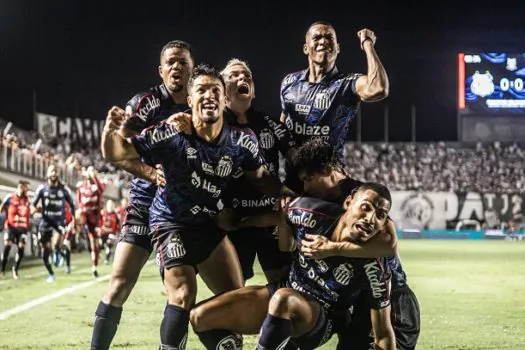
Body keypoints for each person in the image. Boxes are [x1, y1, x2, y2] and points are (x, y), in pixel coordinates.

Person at [101, 63, 295, 349]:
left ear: (224, 99)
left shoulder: (243, 141)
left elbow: (265, 180)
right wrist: (109, 132)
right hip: (171, 222)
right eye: (201, 90)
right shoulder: (171, 131)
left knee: (235, 297)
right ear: (190, 100)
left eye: (215, 90)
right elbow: (116, 152)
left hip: (208, 225)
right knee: (182, 292)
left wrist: (292, 197)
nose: (209, 96)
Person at [90, 39, 194, 350]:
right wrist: (151, 173)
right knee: (119, 284)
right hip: (145, 202)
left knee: (180, 292)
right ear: (160, 70)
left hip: (182, 212)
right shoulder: (145, 103)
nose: (177, 67)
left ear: (193, 68)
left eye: (183, 62)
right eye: (171, 62)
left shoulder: (202, 101)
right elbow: (120, 152)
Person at [292, 138, 420, 350]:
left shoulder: (363, 195)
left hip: (391, 294)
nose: (305, 187)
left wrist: (332, 248)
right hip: (362, 298)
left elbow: (388, 243)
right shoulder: (321, 203)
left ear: (327, 170)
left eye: (309, 179)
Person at [256, 183, 395, 349]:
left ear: (384, 224)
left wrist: (331, 248)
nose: (370, 218)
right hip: (287, 291)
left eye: (380, 215)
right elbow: (283, 222)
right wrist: (242, 222)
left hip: (325, 317)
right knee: (219, 312)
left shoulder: (374, 267)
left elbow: (384, 335)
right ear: (349, 203)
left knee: (283, 299)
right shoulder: (311, 214)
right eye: (365, 207)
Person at [280, 21, 389, 192]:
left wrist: (367, 44)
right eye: (316, 37)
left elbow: (378, 88)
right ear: (306, 48)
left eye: (329, 37)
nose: (323, 41)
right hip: (295, 183)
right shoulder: (289, 82)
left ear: (337, 48)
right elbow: (282, 125)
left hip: (330, 184)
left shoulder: (347, 84)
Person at [31, 164, 76, 282]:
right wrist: (35, 210)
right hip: (45, 222)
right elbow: (32, 205)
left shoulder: (64, 189)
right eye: (51, 171)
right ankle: (51, 273)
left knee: (56, 243)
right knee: (45, 252)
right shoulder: (42, 189)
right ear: (47, 173)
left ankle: (58, 251)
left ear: (58, 174)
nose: (53, 173)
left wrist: (73, 222)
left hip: (59, 222)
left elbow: (72, 205)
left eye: (55, 171)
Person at [76, 165, 105, 278]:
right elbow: (79, 200)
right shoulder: (81, 186)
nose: (90, 173)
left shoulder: (97, 186)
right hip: (84, 215)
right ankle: (69, 240)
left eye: (92, 171)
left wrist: (94, 176)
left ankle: (94, 267)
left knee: (94, 244)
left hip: (94, 218)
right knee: (77, 215)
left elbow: (101, 190)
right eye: (89, 171)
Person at [0, 180, 31, 279]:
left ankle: (15, 269)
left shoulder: (27, 200)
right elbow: (2, 207)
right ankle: (3, 269)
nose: (27, 190)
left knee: (21, 248)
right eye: (26, 188)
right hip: (11, 227)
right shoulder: (10, 197)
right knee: (7, 246)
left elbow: (28, 212)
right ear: (20, 187)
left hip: (22, 228)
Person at [99, 199, 120, 264]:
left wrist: (116, 231)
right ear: (107, 205)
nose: (110, 206)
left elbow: (118, 226)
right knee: (99, 245)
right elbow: (99, 223)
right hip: (102, 233)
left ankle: (107, 259)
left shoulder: (115, 215)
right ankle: (99, 255)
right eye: (109, 204)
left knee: (109, 243)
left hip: (111, 233)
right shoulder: (103, 213)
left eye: (111, 205)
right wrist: (101, 228)